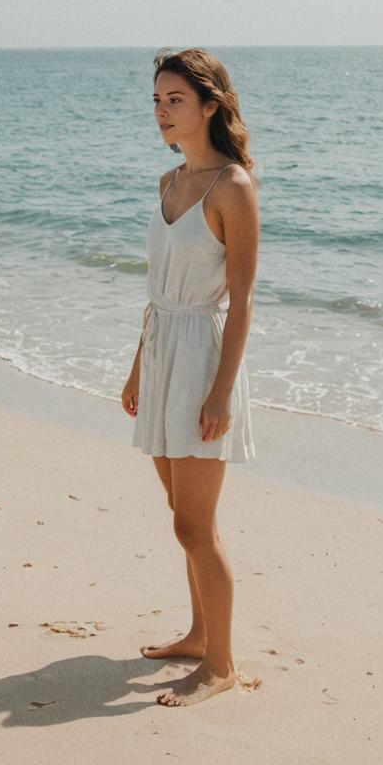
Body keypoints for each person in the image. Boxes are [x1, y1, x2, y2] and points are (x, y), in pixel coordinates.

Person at [121, 47, 260, 707]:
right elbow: (156, 292)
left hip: (204, 358)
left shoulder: (232, 187)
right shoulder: (169, 182)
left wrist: (221, 391)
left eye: (174, 99)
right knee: (182, 516)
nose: (162, 111)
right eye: (156, 100)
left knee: (194, 527)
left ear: (209, 105)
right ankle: (201, 635)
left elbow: (242, 299)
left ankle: (222, 667)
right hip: (161, 352)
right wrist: (136, 370)